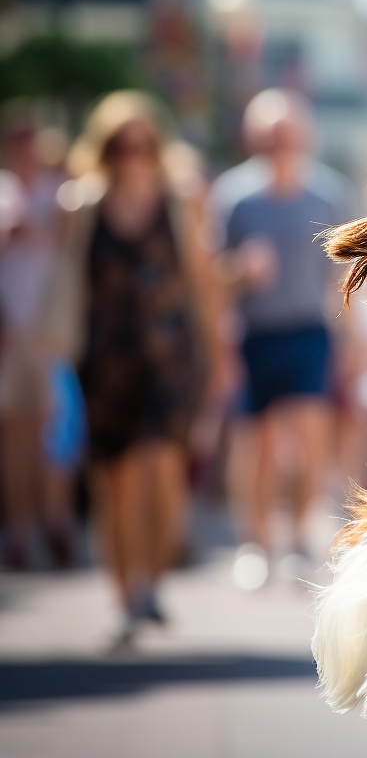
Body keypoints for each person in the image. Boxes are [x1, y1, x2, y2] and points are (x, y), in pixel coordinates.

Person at [50, 91, 228, 644]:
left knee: (163, 468)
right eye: (121, 146)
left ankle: (151, 585)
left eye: (143, 144)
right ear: (104, 150)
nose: (133, 156)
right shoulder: (80, 204)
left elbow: (200, 280)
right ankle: (125, 597)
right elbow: (66, 280)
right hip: (104, 361)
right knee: (116, 483)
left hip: (170, 358)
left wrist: (220, 354)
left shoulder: (180, 198)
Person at [207, 88, 352, 589]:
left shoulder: (329, 194)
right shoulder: (232, 195)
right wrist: (239, 272)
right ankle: (256, 544)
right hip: (254, 333)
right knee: (259, 447)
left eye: (286, 132)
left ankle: (295, 544)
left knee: (311, 436)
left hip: (310, 331)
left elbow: (345, 277)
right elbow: (209, 276)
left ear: (303, 134)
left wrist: (352, 343)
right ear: (253, 137)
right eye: (269, 134)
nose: (279, 142)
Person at [0, 107, 73, 569]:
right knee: (15, 433)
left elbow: (68, 247)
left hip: (49, 330)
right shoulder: (3, 193)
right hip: (9, 330)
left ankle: (56, 520)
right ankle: (20, 529)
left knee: (55, 430)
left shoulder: (60, 195)